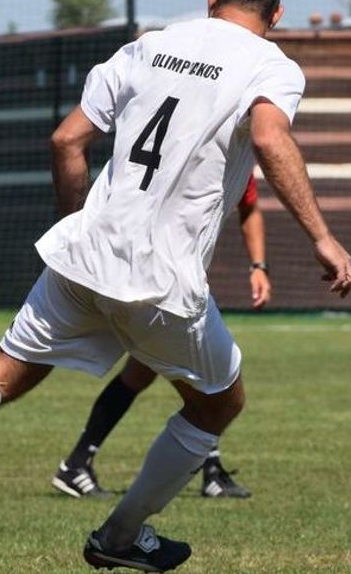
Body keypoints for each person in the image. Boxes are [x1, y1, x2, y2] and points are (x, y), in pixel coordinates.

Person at [0, 0, 351, 572]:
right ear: (277, 14)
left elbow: (66, 140)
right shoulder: (271, 63)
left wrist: (73, 221)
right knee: (218, 403)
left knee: (3, 370)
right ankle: (122, 536)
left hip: (85, 255)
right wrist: (322, 236)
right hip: (159, 280)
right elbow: (268, 136)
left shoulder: (149, 47)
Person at [52, 175, 269, 501]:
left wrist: (259, 265)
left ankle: (77, 462)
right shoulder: (187, 147)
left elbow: (249, 206)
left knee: (142, 375)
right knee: (204, 380)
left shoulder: (235, 154)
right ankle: (208, 473)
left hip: (175, 282)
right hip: (152, 280)